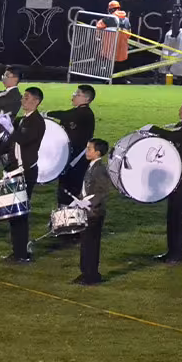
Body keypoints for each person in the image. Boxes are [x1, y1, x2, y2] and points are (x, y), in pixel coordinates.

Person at [145, 97, 182, 263]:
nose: (180, 109)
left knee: (177, 215)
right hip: (176, 176)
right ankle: (172, 252)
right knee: (172, 215)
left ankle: (178, 253)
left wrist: (153, 129)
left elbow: (172, 136)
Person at [0, 87, 45, 263]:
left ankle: (21, 253)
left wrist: (11, 129)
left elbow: (24, 140)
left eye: (26, 98)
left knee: (20, 213)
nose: (22, 101)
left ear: (36, 101)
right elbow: (11, 143)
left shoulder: (37, 122)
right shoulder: (21, 120)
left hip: (26, 172)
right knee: (14, 213)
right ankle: (17, 251)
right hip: (14, 170)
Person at [47, 84, 96, 208]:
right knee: (64, 187)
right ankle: (63, 215)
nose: (73, 96)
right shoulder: (77, 112)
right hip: (69, 156)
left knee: (70, 189)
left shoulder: (85, 114)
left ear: (87, 99)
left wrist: (46, 113)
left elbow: (66, 115)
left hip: (77, 159)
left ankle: (69, 218)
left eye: (78, 94)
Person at [71, 138, 110, 284]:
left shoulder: (100, 169)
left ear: (97, 152)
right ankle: (85, 272)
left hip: (94, 213)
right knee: (85, 243)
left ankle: (92, 275)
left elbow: (103, 191)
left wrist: (88, 202)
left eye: (89, 149)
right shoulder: (91, 166)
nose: (86, 151)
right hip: (86, 211)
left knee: (91, 245)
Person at [0, 66, 22, 180]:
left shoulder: (14, 95)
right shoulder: (7, 93)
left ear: (15, 79)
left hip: (2, 135)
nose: (3, 78)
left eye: (6, 75)